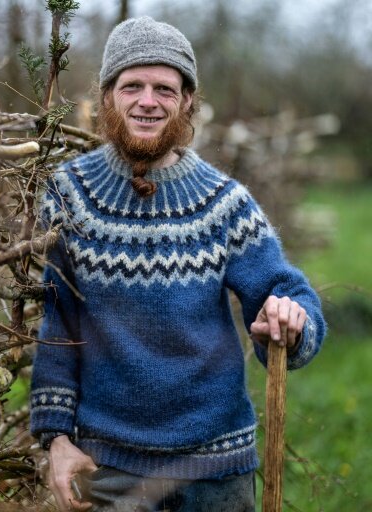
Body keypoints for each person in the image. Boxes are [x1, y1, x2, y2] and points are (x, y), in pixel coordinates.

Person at [30, 16, 326, 512]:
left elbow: (286, 292)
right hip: (108, 469)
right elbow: (58, 322)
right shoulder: (69, 195)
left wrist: (292, 319)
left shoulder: (223, 203)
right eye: (133, 86)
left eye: (165, 88)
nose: (148, 100)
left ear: (188, 100)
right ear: (108, 96)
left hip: (215, 471)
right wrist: (56, 439)